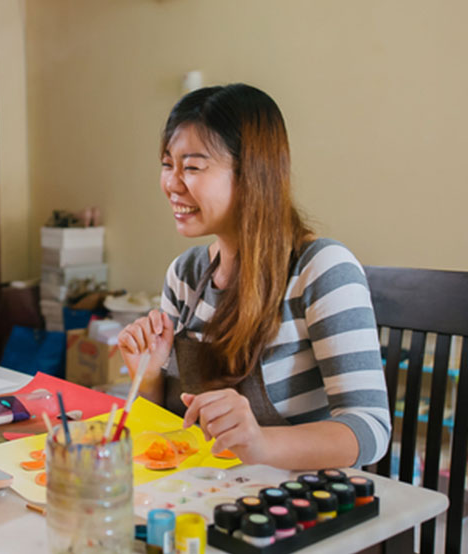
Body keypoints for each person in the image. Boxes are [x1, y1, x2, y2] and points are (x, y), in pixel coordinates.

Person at [118, 84, 390, 470]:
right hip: (203, 492)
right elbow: (169, 434)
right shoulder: (185, 275)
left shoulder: (322, 269)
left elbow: (370, 429)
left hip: (293, 504)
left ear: (252, 174)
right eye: (168, 164)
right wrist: (146, 379)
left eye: (192, 167)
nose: (171, 184)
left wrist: (260, 442)